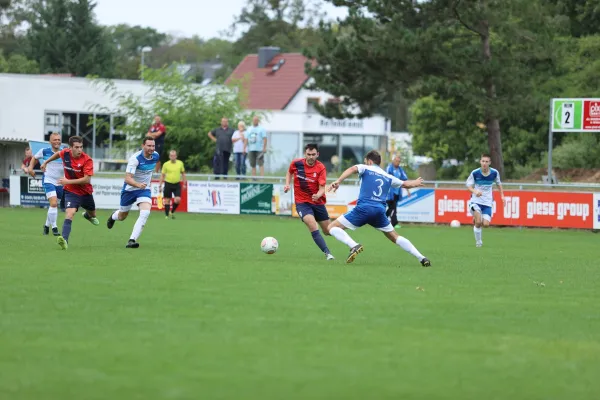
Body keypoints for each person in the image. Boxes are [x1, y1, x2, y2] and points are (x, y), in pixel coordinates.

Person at [326, 150, 431, 266]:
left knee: (331, 227)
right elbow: (406, 184)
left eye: (366, 161)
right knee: (395, 237)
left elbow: (352, 169)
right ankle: (422, 258)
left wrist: (338, 181)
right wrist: (415, 182)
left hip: (364, 208)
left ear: (370, 161)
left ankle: (354, 246)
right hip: (379, 211)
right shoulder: (388, 176)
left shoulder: (365, 168)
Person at [40, 136, 99, 250]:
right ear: (70, 148)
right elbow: (58, 154)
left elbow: (87, 180)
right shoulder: (65, 153)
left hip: (85, 192)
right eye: (76, 147)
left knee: (93, 214)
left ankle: (87, 215)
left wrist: (67, 181)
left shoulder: (87, 160)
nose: (79, 150)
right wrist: (46, 162)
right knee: (70, 214)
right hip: (71, 191)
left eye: (81, 147)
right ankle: (64, 240)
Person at [284, 143, 334, 261]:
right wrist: (287, 184)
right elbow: (289, 172)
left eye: (313, 154)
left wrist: (318, 195)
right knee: (312, 224)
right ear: (305, 154)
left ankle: (347, 233)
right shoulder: (296, 163)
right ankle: (328, 253)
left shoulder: (321, 167)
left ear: (317, 154)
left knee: (328, 231)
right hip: (302, 203)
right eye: (308, 154)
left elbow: (322, 188)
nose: (311, 157)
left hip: (317, 202)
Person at [106, 136, 159, 248]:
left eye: (153, 145)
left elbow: (154, 167)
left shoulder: (156, 156)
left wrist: (144, 184)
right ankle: (113, 216)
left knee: (145, 213)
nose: (151, 148)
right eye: (149, 145)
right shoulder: (135, 159)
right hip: (130, 190)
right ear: (143, 146)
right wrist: (138, 184)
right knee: (122, 216)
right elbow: (127, 179)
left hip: (144, 190)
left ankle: (132, 240)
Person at [466, 153, 505, 247]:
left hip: (487, 202)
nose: (484, 163)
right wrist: (475, 191)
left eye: (486, 161)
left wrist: (502, 196)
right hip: (475, 201)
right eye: (483, 161)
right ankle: (478, 242)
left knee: (486, 224)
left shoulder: (494, 173)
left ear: (489, 163)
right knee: (479, 222)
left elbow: (498, 184)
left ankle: (475, 218)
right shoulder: (475, 173)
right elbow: (468, 186)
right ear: (480, 162)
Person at [28, 132, 64, 236]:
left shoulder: (64, 153)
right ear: (50, 142)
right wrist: (30, 168)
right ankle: (55, 228)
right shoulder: (44, 151)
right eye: (55, 140)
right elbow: (34, 158)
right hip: (48, 180)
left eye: (58, 139)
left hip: (60, 182)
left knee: (53, 206)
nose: (57, 141)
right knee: (53, 203)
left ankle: (46, 226)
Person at [159, 149, 186, 219]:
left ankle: (172, 211)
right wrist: (160, 185)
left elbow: (183, 174)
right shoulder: (166, 164)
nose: (172, 157)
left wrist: (184, 183)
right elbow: (162, 175)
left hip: (177, 184)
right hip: (168, 183)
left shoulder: (180, 163)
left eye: (174, 156)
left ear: (176, 156)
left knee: (178, 199)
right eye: (171, 156)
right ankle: (167, 215)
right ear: (169, 156)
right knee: (167, 200)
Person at [385, 154, 410, 228]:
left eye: (399, 161)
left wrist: (408, 190)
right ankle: (393, 223)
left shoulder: (400, 170)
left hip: (397, 192)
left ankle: (384, 220)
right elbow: (386, 178)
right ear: (393, 160)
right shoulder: (389, 168)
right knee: (392, 208)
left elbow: (404, 180)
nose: (398, 162)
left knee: (392, 208)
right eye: (396, 161)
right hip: (389, 193)